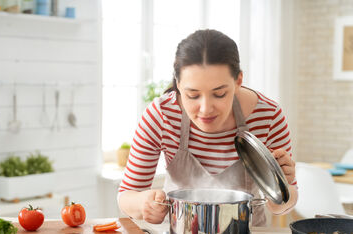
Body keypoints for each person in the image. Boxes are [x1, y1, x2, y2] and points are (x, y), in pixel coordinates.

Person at [117, 29, 298, 226]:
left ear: (238, 81)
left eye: (219, 94)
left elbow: (283, 206)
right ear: (178, 84)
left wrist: (282, 185)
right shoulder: (161, 115)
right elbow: (126, 195)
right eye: (193, 95)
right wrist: (144, 204)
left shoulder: (268, 116)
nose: (205, 110)